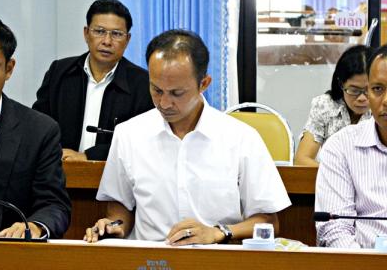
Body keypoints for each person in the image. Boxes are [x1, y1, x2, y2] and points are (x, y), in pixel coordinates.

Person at [84, 29, 291, 244]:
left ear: (204, 84)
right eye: (156, 90)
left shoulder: (241, 138)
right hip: (151, 257)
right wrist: (114, 226)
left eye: (177, 93)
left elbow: (268, 222)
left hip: (216, 256)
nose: (164, 103)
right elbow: (119, 208)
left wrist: (218, 233)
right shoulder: (129, 134)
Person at [33, 0, 153, 161]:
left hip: (114, 173)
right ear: (86, 33)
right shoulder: (59, 72)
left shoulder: (142, 83)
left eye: (116, 34)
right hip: (59, 170)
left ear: (127, 39)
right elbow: (38, 126)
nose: (107, 41)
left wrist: (88, 156)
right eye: (99, 31)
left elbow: (142, 140)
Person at [0, 15, 71, 239]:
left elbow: (54, 205)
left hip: (8, 248)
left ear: (9, 69)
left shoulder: (38, 131)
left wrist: (34, 226)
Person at [315, 44, 387, 248]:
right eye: (377, 89)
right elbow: (334, 229)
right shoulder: (341, 146)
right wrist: (365, 263)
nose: (386, 100)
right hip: (362, 259)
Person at [294, 45, 373, 166]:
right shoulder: (325, 105)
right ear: (341, 84)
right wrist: (335, 173)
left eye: (369, 90)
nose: (362, 98)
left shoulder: (382, 109)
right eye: (354, 90)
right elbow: (302, 160)